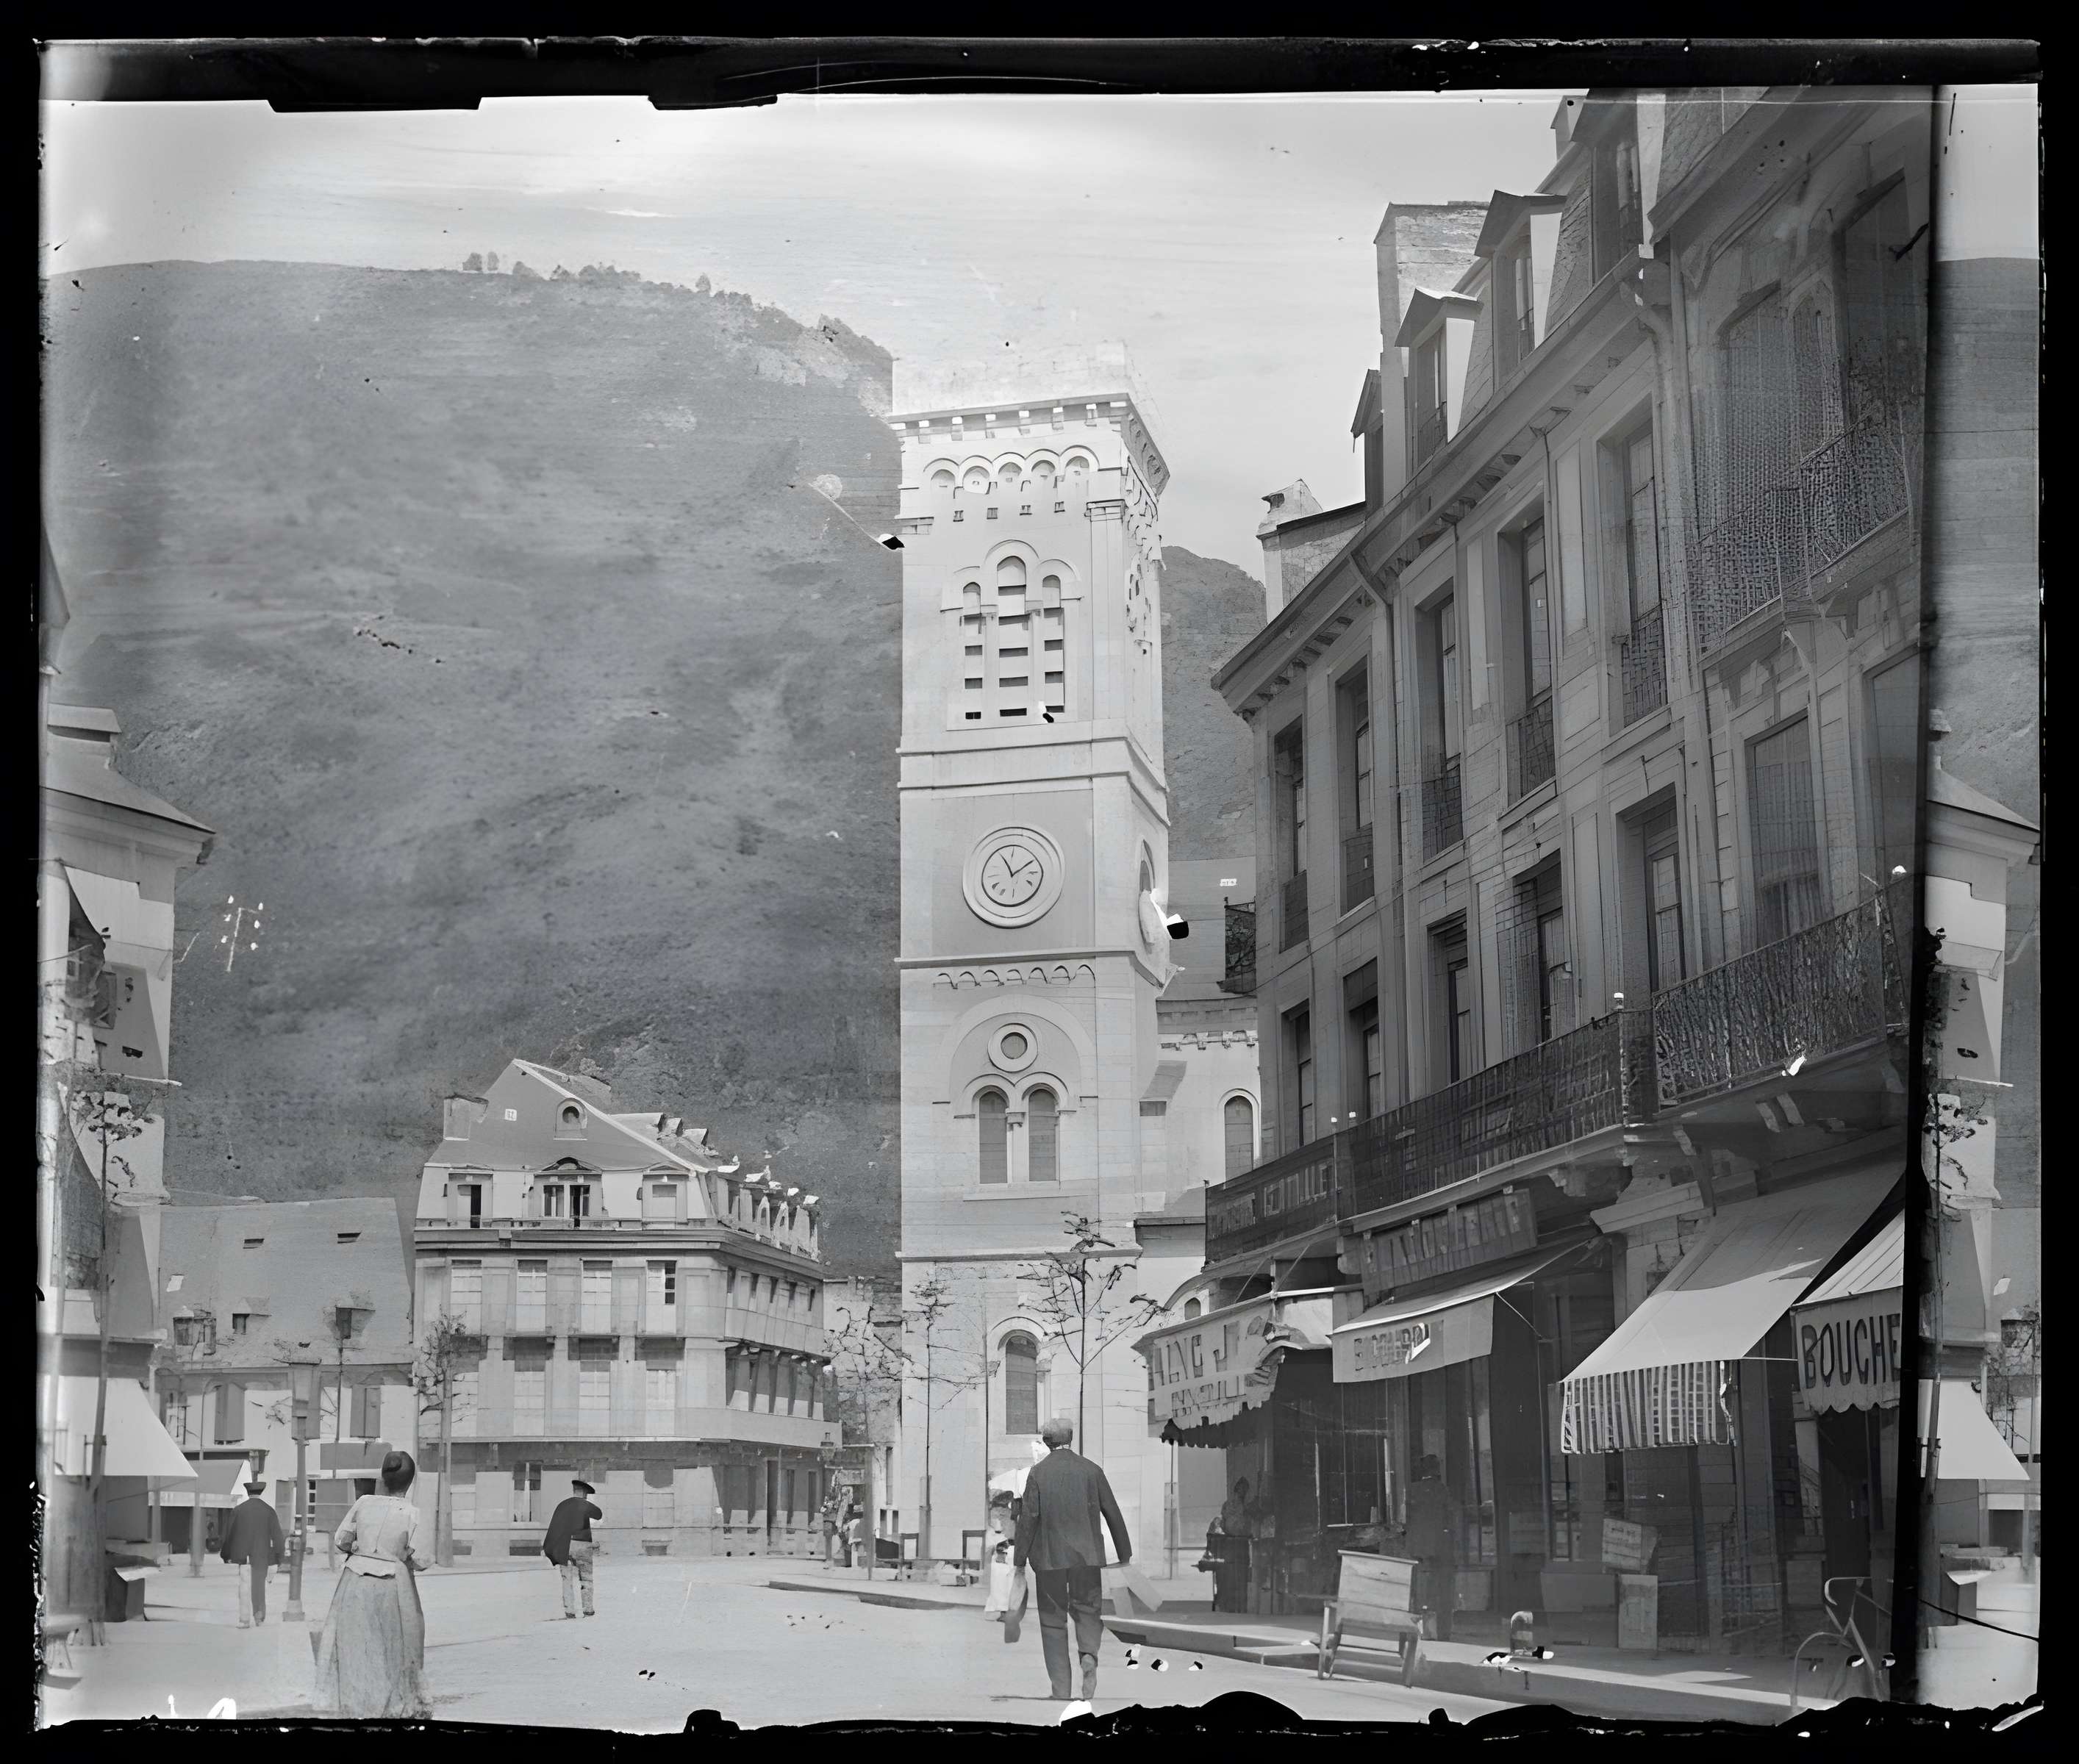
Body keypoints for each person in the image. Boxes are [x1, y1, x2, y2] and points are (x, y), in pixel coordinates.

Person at [1013, 1415, 1132, 1722]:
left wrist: (1019, 1559)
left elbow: (1029, 1519)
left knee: (1053, 1620)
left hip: (1049, 1558)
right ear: (1070, 1439)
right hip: (1087, 1556)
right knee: (1088, 1610)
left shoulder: (1038, 1473)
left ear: (1047, 1442)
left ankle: (1061, 1688)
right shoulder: (1092, 1470)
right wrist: (1125, 1554)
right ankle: (1089, 1655)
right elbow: (1112, 1512)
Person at [312, 1450, 434, 1718]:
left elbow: (341, 1540)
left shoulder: (364, 1503)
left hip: (354, 1580)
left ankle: (356, 1706)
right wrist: (402, 1557)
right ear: (410, 1481)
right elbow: (423, 1559)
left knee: (354, 1646)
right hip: (393, 1584)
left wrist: (360, 1549)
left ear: (383, 1477)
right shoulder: (412, 1513)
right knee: (397, 1646)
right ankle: (390, 1708)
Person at [1404, 1454, 1459, 1642]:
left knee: (1421, 1591)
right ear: (1437, 1470)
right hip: (1440, 1549)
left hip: (1418, 1550)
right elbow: (1450, 1520)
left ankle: (1423, 1631)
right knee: (1442, 1590)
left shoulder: (1412, 1490)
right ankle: (1442, 1632)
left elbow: (1407, 1519)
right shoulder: (1442, 1490)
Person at [220, 1479, 285, 1629]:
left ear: (248, 1492)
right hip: (262, 1556)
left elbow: (229, 1535)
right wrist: (279, 1557)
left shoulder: (238, 1510)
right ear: (261, 1492)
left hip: (243, 1557)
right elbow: (278, 1537)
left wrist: (226, 1554)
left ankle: (244, 1620)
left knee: (244, 1587)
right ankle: (259, 1616)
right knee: (259, 1587)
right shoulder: (269, 1511)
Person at [543, 1477, 603, 1618]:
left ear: (574, 1490)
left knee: (566, 1580)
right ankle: (588, 1609)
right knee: (586, 1579)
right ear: (583, 1493)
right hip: (582, 1545)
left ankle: (569, 1610)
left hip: (564, 1546)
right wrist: (587, 1503)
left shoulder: (562, 1505)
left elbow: (554, 1528)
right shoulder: (584, 1504)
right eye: (586, 1494)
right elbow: (599, 1515)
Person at [982, 1489, 1020, 1621]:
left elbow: (1003, 1536)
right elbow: (1005, 1535)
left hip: (1005, 1549)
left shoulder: (998, 1515)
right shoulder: (1005, 1514)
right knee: (1004, 1581)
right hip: (1006, 1549)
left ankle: (1003, 1610)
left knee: (1001, 1581)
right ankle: (1005, 1610)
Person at [819, 1480, 849, 1568]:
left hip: (837, 1519)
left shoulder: (843, 1495)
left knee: (842, 1538)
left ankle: (838, 1558)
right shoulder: (831, 1496)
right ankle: (830, 1558)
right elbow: (824, 1508)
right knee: (830, 1539)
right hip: (831, 1520)